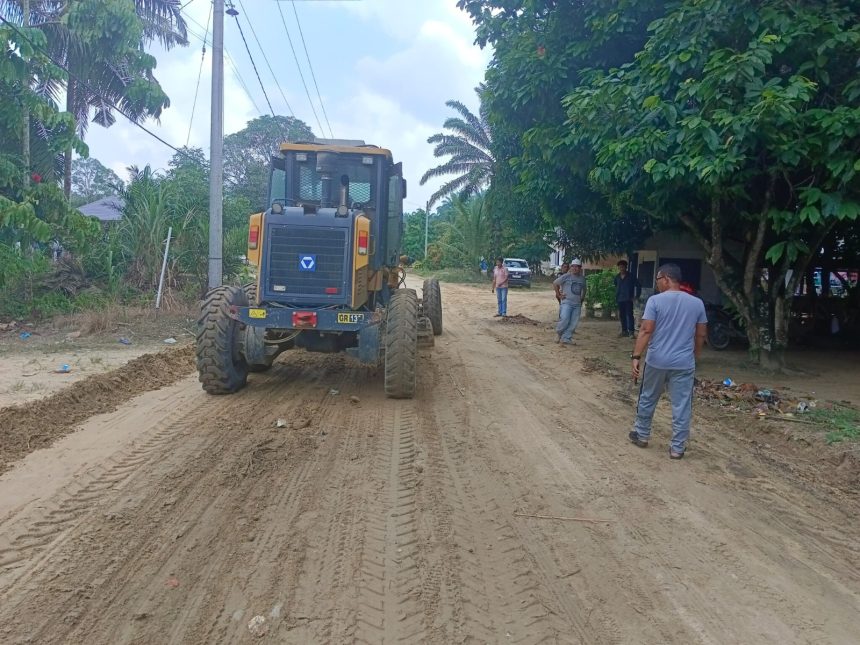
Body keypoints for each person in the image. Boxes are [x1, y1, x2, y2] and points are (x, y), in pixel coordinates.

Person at [629, 263, 708, 459]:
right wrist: (695, 356)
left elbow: (646, 330)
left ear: (665, 278)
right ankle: (677, 448)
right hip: (683, 362)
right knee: (682, 404)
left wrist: (636, 356)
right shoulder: (697, 303)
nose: (656, 284)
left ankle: (642, 434)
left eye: (657, 280)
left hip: (657, 361)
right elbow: (701, 335)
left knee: (648, 397)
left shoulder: (655, 301)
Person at [553, 259, 586, 345]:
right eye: (573, 266)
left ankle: (566, 338)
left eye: (577, 267)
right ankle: (559, 334)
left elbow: (584, 289)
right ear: (571, 267)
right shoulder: (566, 276)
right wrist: (559, 295)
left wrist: (582, 299)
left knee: (573, 322)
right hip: (567, 302)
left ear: (580, 268)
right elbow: (555, 283)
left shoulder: (582, 279)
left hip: (577, 303)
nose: (575, 268)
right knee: (564, 318)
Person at [614, 260, 641, 337]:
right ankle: (624, 331)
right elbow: (616, 285)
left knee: (629, 315)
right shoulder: (617, 277)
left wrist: (636, 296)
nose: (621, 268)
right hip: (620, 299)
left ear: (626, 267)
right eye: (620, 267)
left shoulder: (631, 276)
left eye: (622, 267)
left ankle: (631, 332)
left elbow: (638, 285)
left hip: (628, 299)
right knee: (622, 315)